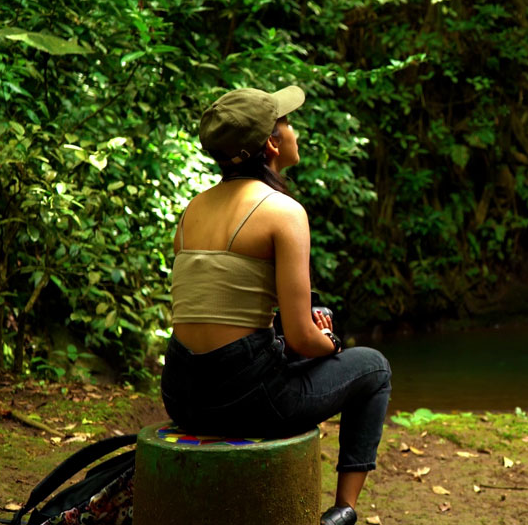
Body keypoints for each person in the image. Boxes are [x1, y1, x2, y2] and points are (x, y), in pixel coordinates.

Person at [161, 86, 391, 525]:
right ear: (272, 144)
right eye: (286, 122)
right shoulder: (283, 212)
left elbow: (222, 314)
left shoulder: (192, 210)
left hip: (182, 393)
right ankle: (343, 511)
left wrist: (295, 340)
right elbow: (304, 339)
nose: (293, 128)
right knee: (374, 368)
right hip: (247, 400)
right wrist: (332, 344)